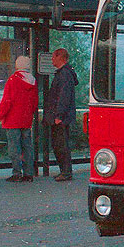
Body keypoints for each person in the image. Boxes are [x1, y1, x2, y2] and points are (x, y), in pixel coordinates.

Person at [0, 56, 38, 182]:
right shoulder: (33, 81)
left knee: (14, 148)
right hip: (26, 119)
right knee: (27, 147)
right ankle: (29, 173)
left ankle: (16, 173)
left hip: (12, 120)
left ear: (17, 66)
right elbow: (35, 102)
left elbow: (7, 101)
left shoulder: (13, 80)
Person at [44, 48, 78, 181]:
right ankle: (64, 171)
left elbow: (64, 96)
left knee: (60, 144)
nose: (52, 59)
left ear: (60, 58)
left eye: (53, 57)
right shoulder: (66, 73)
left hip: (60, 118)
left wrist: (59, 115)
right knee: (60, 144)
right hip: (62, 116)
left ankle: (65, 171)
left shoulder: (63, 75)